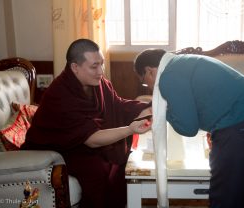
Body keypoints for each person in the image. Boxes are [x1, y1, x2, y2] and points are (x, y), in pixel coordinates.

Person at [134, 49, 244, 208]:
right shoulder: (183, 62)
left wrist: (162, 114)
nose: (149, 87)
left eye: (145, 82)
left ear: (149, 71)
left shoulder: (168, 76)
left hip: (238, 125)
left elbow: (188, 128)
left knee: (225, 198)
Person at [21, 39, 152, 208]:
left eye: (102, 64)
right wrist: (129, 129)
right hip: (56, 148)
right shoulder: (60, 94)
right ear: (75, 67)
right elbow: (92, 139)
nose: (100, 71)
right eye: (94, 66)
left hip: (81, 140)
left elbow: (116, 105)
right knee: (97, 170)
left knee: (125, 159)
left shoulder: (98, 82)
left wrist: (146, 107)